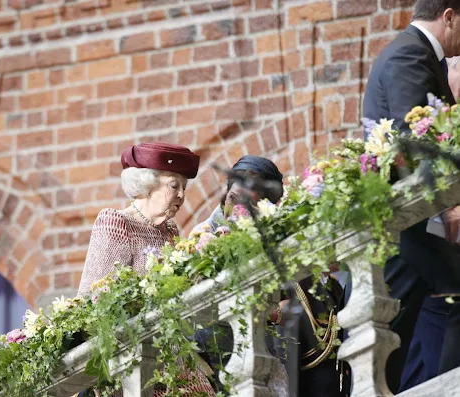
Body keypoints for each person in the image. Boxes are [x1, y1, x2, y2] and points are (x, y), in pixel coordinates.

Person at [191, 155, 351, 397]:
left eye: (248, 205)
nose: (236, 210)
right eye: (233, 198)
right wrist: (270, 311)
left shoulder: (277, 231)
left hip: (295, 349)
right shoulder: (202, 238)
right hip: (226, 353)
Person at [363, 0, 460, 392]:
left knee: (395, 332)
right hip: (408, 223)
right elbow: (415, 136)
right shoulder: (410, 53)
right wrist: (449, 205)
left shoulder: (415, 53)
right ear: (450, 16)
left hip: (412, 225)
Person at [77, 142, 215, 396]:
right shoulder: (117, 222)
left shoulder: (170, 231)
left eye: (185, 188)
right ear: (147, 184)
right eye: (174, 185)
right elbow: (93, 300)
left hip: (174, 354)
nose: (182, 196)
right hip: (132, 358)